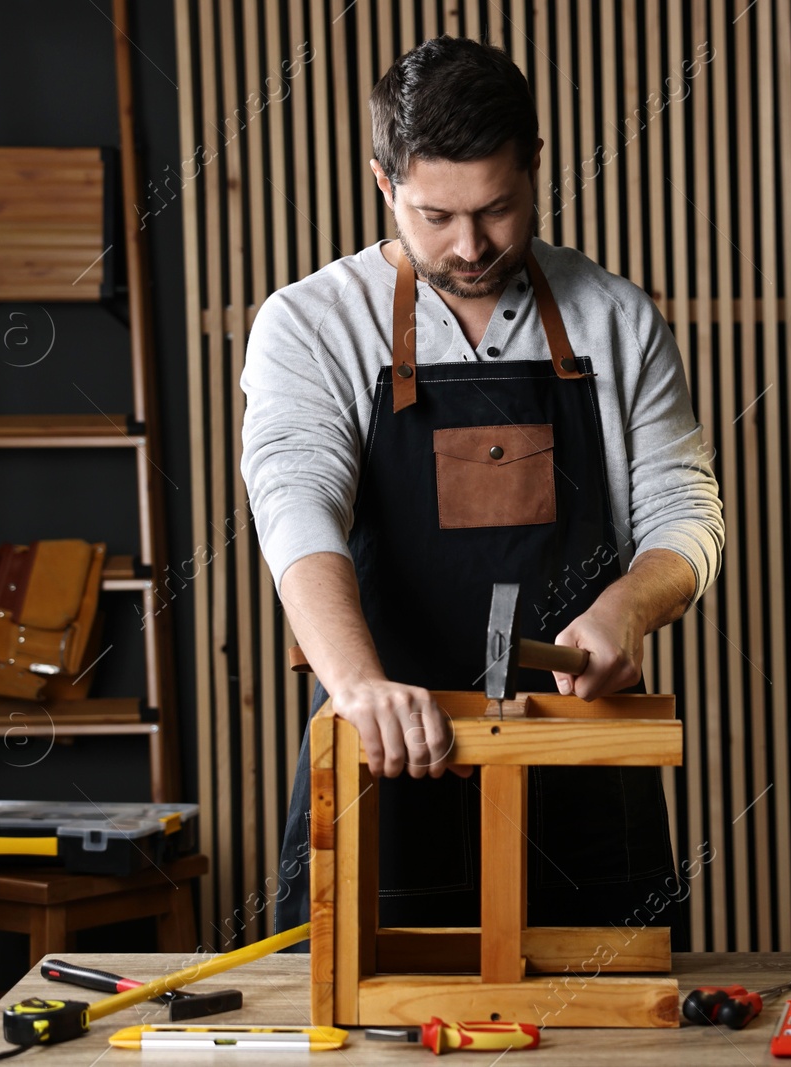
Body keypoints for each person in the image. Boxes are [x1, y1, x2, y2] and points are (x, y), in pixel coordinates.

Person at [240, 35, 723, 942]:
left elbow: (687, 509)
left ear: (535, 166)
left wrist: (631, 605)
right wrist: (357, 687)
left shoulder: (614, 320)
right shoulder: (309, 324)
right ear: (384, 183)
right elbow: (295, 505)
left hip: (583, 768)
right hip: (385, 761)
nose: (470, 246)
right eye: (435, 216)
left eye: (498, 209)